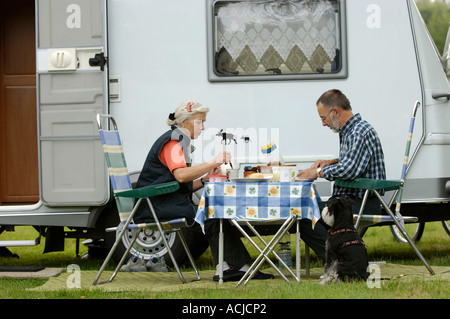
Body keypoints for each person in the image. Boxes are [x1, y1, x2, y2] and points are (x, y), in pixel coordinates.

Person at [133, 100, 273, 281]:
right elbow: (182, 176)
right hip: (155, 206)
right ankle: (239, 267)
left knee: (213, 213)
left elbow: (183, 184)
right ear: (183, 122)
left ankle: (226, 267)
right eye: (199, 122)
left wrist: (206, 178)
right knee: (211, 214)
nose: (203, 127)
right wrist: (212, 163)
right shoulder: (173, 143)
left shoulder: (179, 140)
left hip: (164, 201)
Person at [297, 89, 386, 215]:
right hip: (349, 201)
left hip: (359, 203)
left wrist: (317, 172)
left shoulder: (358, 132)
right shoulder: (352, 131)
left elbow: (349, 170)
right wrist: (332, 162)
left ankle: (333, 236)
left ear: (336, 112)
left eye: (323, 118)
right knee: (307, 207)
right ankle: (333, 235)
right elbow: (355, 161)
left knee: (306, 213)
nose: (323, 124)